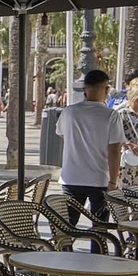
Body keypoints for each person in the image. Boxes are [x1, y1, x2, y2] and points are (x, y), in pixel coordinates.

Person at [55, 69, 124, 250]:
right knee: (99, 229)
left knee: (68, 227)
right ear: (106, 89)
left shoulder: (69, 112)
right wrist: (113, 181)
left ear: (85, 89)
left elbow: (61, 134)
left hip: (71, 178)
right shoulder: (111, 115)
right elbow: (115, 150)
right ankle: (97, 269)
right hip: (100, 179)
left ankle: (64, 265)